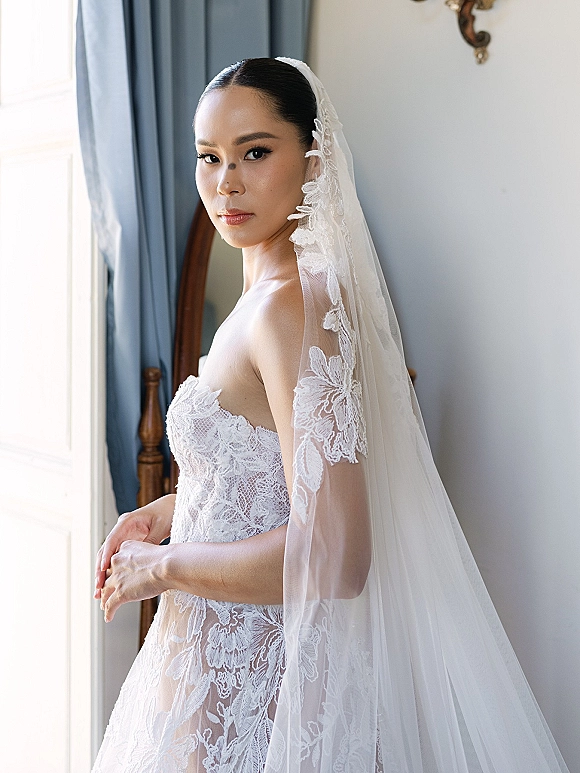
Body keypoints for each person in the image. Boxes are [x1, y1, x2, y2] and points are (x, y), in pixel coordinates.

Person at [92, 58, 571, 773]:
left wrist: (161, 567)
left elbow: (338, 554)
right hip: (206, 672)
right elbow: (271, 471)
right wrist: (172, 508)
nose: (225, 182)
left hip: (254, 694)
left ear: (312, 164)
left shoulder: (292, 306)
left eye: (255, 152)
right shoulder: (268, 297)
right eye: (209, 157)